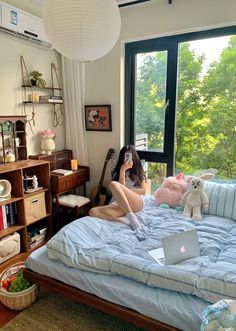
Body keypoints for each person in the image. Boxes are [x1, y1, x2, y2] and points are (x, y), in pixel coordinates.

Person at [89, 145, 147, 230]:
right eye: (125, 156)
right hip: (120, 203)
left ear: (134, 157)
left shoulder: (139, 171)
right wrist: (122, 170)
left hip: (136, 202)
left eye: (129, 156)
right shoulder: (117, 172)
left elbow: (143, 191)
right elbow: (120, 189)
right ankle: (125, 222)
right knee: (92, 212)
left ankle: (132, 218)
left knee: (113, 184)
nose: (126, 158)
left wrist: (127, 192)